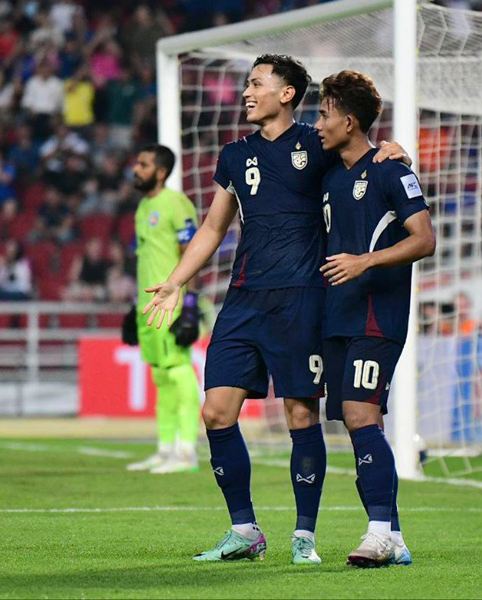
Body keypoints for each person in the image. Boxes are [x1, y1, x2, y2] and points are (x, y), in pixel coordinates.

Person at [143, 54, 409, 565]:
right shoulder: (234, 153)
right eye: (247, 83)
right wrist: (177, 281)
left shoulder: (318, 142)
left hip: (303, 297)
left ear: (286, 94)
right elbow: (214, 227)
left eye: (256, 83)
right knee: (215, 412)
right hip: (244, 297)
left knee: (300, 413)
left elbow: (363, 153)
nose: (246, 92)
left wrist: (395, 151)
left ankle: (304, 535)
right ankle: (244, 529)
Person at [315, 70, 435, 567]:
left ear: (349, 121)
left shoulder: (390, 171)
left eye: (324, 114)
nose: (317, 123)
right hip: (336, 315)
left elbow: (424, 239)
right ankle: (395, 535)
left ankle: (378, 534)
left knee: (361, 415)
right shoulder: (327, 171)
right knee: (361, 423)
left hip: (376, 315)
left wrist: (365, 261)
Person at [125, 145, 202, 474]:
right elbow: (147, 258)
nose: (136, 168)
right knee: (160, 375)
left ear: (160, 172)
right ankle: (166, 448)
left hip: (171, 304)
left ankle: (187, 451)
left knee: (178, 371)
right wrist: (134, 305)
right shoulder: (144, 207)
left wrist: (190, 302)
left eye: (143, 164)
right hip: (148, 306)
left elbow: (191, 252)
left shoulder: (176, 203)